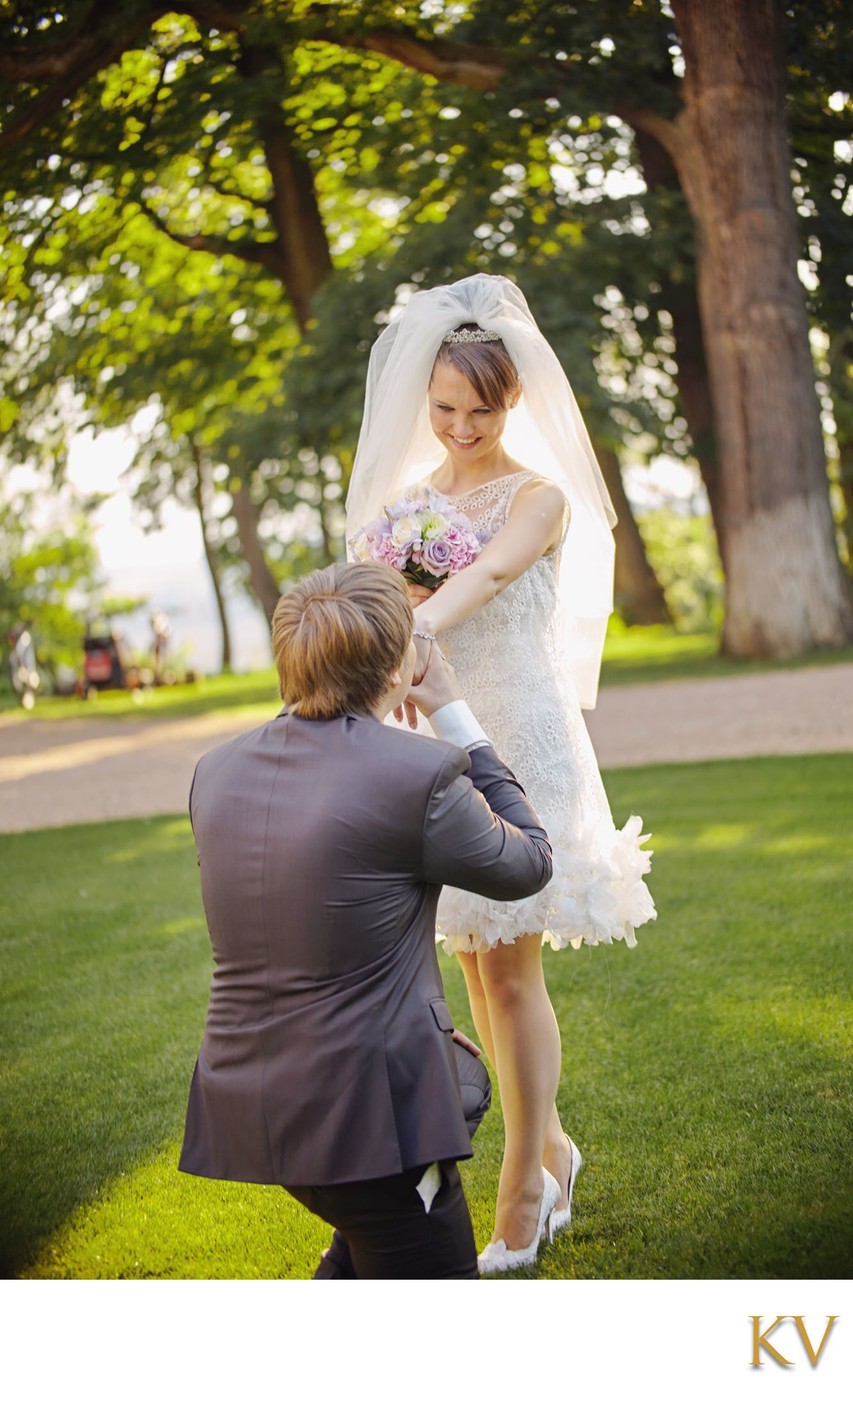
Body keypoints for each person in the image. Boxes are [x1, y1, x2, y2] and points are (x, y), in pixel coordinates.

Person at [346, 273, 657, 1272]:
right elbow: (377, 583)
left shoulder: (540, 496)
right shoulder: (404, 509)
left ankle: (524, 1181)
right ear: (421, 402)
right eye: (443, 409)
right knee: (474, 966)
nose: (462, 424)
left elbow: (484, 576)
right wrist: (384, 644)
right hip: (437, 747)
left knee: (513, 970)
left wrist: (409, 631)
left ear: (510, 396)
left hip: (520, 734)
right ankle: (555, 1147)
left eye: (480, 407)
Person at [178, 560, 553, 1280]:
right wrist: (457, 720)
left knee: (455, 1091)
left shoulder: (215, 769)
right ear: (394, 669)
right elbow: (529, 862)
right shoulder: (417, 775)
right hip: (369, 1120)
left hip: (249, 1093)